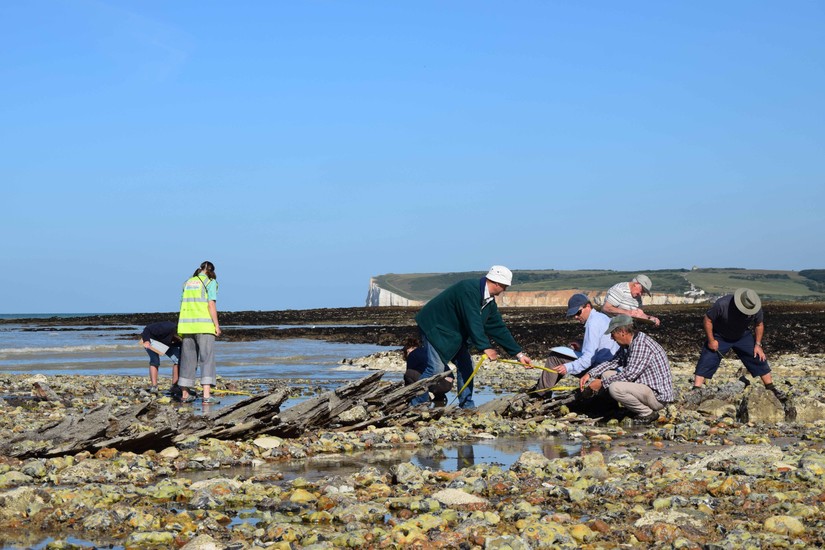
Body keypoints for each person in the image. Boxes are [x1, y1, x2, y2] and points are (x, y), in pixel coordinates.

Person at [412, 265, 533, 409]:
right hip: (435, 327)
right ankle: (417, 404)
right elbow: (473, 320)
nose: (505, 290)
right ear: (496, 282)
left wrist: (519, 355)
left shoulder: (489, 302)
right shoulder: (468, 289)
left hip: (454, 334)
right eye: (505, 286)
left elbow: (498, 328)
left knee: (466, 367)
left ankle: (467, 405)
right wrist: (485, 347)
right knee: (436, 369)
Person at [692, 288, 786, 401]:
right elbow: (707, 320)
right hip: (720, 335)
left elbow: (759, 325)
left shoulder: (755, 307)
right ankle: (696, 389)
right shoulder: (722, 304)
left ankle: (771, 388)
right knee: (707, 358)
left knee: (758, 357)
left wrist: (757, 345)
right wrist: (711, 340)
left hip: (742, 336)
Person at [579, 315, 673, 424]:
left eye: (612, 334)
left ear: (622, 332)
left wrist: (601, 383)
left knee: (615, 387)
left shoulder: (641, 345)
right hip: (645, 388)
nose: (611, 338)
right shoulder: (629, 344)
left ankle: (646, 413)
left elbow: (629, 375)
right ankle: (617, 408)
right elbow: (613, 362)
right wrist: (590, 374)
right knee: (607, 374)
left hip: (657, 397)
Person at [535, 293, 620, 394]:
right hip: (611, 365)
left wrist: (567, 367)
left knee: (554, 358)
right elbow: (600, 344)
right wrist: (582, 345)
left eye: (578, 312)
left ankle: (540, 394)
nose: (576, 317)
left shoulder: (592, 324)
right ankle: (541, 388)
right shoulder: (602, 318)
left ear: (588, 306)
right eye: (573, 314)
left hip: (600, 368)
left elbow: (588, 359)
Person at [177, 261, 221, 404]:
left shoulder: (187, 283)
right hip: (204, 326)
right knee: (206, 359)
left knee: (187, 360)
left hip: (186, 326)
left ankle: (185, 394)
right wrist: (216, 325)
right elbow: (211, 304)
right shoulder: (210, 282)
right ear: (210, 271)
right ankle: (206, 395)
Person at [403, 338, 455, 404]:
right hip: (449, 384)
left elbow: (408, 376)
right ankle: (440, 399)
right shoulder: (430, 351)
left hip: (438, 384)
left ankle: (421, 400)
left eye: (406, 352)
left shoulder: (412, 354)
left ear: (410, 348)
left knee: (409, 374)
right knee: (429, 373)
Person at [140, 321, 181, 393]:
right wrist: (146, 341)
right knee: (155, 360)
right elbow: (147, 329)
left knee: (178, 360)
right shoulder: (166, 327)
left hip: (166, 342)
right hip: (151, 339)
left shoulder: (181, 338)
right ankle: (154, 386)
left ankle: (175, 386)